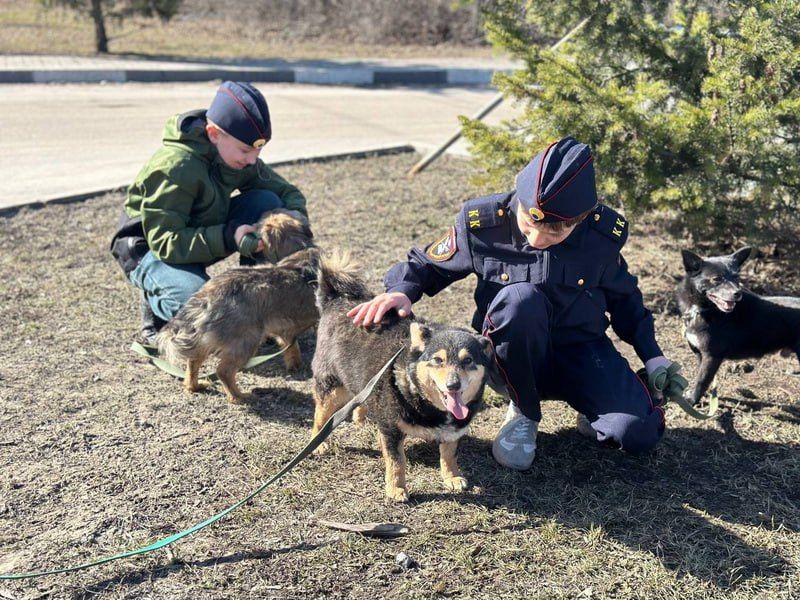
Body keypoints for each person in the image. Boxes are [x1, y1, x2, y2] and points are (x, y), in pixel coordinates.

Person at [348, 136, 687, 470]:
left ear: (581, 218)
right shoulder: (484, 223)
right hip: (511, 357)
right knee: (519, 299)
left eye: (554, 233)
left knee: (637, 435)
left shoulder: (599, 236)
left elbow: (625, 299)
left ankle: (595, 403)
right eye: (528, 222)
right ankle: (523, 411)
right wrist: (403, 290)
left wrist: (653, 356)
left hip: (581, 350)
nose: (537, 239)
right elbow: (428, 263)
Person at [110, 81, 308, 344]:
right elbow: (166, 242)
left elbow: (286, 193)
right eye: (246, 150)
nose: (252, 159)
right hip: (151, 249)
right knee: (207, 310)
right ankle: (157, 309)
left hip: (199, 231)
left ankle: (261, 303)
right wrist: (229, 237)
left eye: (259, 151)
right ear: (214, 133)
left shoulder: (234, 153)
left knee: (268, 201)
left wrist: (294, 219)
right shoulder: (175, 167)